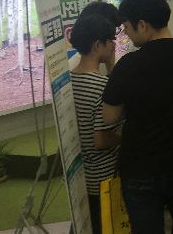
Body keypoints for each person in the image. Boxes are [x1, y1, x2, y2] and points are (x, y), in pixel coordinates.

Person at [101, 0, 173, 234]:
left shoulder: (129, 64)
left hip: (139, 167)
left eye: (127, 28)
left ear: (142, 25)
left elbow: (109, 117)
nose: (126, 34)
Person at [70, 13, 122, 234]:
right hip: (104, 178)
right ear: (97, 45)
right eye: (110, 40)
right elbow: (100, 140)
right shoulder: (101, 86)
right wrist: (125, 138)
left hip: (81, 178)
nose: (113, 45)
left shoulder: (69, 81)